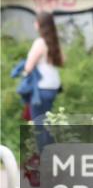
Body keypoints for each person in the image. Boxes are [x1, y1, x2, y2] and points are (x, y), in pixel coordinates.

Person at [23, 11, 64, 152]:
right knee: (46, 123)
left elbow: (28, 66)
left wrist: (24, 72)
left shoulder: (40, 42)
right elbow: (62, 61)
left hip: (41, 89)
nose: (34, 23)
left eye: (36, 21)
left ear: (40, 24)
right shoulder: (54, 41)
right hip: (53, 87)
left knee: (39, 125)